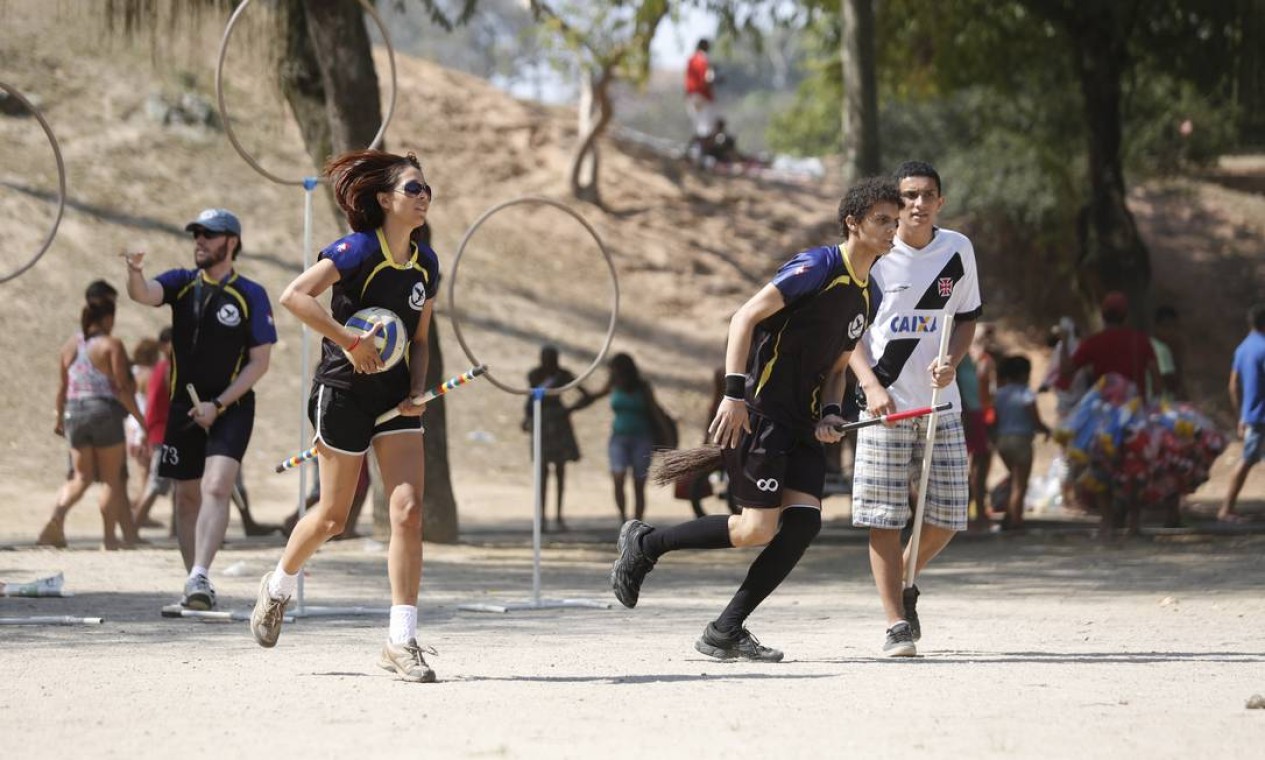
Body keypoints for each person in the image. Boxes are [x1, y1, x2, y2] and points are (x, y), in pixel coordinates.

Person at [610, 176, 901, 662]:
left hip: (804, 426)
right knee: (755, 531)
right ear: (853, 223)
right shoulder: (818, 265)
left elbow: (836, 369)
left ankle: (726, 629)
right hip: (763, 415)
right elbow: (744, 318)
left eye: (895, 221)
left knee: (805, 525)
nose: (892, 229)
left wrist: (832, 413)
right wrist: (734, 395)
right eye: (882, 220)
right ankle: (646, 543)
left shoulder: (868, 293)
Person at [249, 149, 440, 684]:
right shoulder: (357, 249)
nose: (423, 197)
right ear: (385, 200)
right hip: (344, 393)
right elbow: (295, 296)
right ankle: (279, 586)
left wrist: (419, 388)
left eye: (427, 190)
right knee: (333, 518)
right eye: (413, 189)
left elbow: (420, 340)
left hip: (396, 400)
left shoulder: (427, 263)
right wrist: (349, 341)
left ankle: (401, 641)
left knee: (406, 510)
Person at [849, 161, 982, 657]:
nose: (918, 204)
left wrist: (953, 361)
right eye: (908, 196)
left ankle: (905, 576)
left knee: (948, 514)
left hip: (940, 405)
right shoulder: (876, 256)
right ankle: (895, 624)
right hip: (885, 405)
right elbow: (851, 333)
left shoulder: (958, 250)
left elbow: (967, 318)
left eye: (928, 195)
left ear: (941, 201)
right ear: (896, 202)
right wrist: (869, 384)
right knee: (883, 515)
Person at [122, 208, 276, 610]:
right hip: (182, 407)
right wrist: (135, 271)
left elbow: (260, 361)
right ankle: (195, 583)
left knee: (216, 486)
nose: (200, 242)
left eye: (209, 235)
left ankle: (201, 573)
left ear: (232, 242)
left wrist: (219, 403)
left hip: (232, 406)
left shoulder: (251, 294)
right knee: (185, 497)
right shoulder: (181, 283)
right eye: (197, 235)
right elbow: (143, 294)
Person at [38, 298, 146, 549]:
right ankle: (109, 539)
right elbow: (122, 389)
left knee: (80, 477)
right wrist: (141, 421)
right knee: (111, 479)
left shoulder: (69, 346)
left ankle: (56, 518)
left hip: (74, 412)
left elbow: (62, 387)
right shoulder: (111, 344)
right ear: (108, 319)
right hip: (104, 412)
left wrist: (59, 417)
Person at [571, 353, 669, 523]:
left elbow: (655, 411)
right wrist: (572, 403)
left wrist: (666, 435)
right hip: (619, 438)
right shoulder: (613, 385)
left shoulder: (643, 388)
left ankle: (637, 523)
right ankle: (623, 519)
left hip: (642, 438)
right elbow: (593, 397)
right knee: (618, 477)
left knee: (638, 484)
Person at [522, 345, 584, 531]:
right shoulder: (534, 375)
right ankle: (542, 518)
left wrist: (569, 410)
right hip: (541, 422)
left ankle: (558, 516)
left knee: (560, 470)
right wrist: (528, 417)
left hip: (558, 424)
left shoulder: (564, 375)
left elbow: (586, 395)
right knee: (541, 471)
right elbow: (532, 399)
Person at [993, 355, 1050, 532]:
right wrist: (1046, 430)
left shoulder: (999, 393)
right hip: (1021, 441)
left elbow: (994, 417)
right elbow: (1035, 418)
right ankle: (1016, 522)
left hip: (1002, 440)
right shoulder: (1025, 392)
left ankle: (1009, 516)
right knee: (1020, 483)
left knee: (1014, 479)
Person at [1219, 304, 1265, 523]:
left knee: (1248, 459)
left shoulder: (1243, 348)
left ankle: (1228, 508)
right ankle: (1226, 509)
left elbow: (1232, 385)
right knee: (1247, 460)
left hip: (1252, 415)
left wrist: (1242, 415)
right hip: (1262, 415)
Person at [133, 327, 174, 530]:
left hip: (164, 432)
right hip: (163, 433)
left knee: (179, 482)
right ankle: (133, 528)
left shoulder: (162, 368)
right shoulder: (166, 369)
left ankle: (177, 529)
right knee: (156, 483)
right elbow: (157, 404)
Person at [684, 38, 718, 163]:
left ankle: (692, 153)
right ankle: (700, 157)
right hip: (702, 96)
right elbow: (707, 79)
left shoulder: (691, 59)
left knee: (698, 126)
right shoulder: (704, 60)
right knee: (704, 128)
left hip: (692, 96)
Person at [1151, 305, 1185, 402]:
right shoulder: (1162, 350)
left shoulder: (1150, 344)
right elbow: (1172, 384)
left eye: (1175, 328)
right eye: (1167, 327)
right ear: (1157, 327)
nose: (1171, 332)